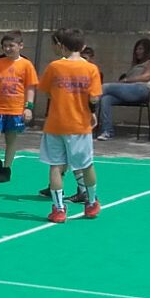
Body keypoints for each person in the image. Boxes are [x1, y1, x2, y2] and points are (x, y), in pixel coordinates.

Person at [39, 28, 103, 222]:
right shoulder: (91, 69)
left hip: (55, 124)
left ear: (62, 46)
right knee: (86, 165)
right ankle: (91, 203)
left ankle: (59, 209)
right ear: (83, 46)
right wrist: (91, 112)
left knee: (55, 166)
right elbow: (94, 97)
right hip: (79, 124)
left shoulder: (54, 67)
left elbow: (47, 91)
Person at [0, 33, 38, 183]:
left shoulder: (26, 64)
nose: (8, 49)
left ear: (20, 46)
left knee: (11, 139)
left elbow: (30, 87)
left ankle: (6, 168)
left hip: (15, 109)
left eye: (11, 46)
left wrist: (28, 107)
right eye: (5, 46)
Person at [95, 38, 150, 140]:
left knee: (104, 87)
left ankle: (85, 115)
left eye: (141, 49)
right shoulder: (135, 65)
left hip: (140, 90)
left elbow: (147, 76)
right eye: (137, 49)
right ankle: (107, 131)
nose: (137, 52)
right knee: (106, 99)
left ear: (147, 50)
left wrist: (126, 80)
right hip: (129, 91)